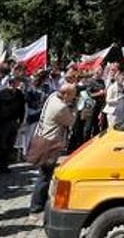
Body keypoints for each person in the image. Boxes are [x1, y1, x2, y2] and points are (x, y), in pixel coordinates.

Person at [28, 83, 78, 214]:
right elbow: (71, 121)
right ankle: (37, 205)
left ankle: (40, 201)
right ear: (66, 94)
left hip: (43, 137)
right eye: (73, 96)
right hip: (49, 143)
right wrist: (74, 109)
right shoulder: (60, 107)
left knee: (44, 175)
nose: (74, 98)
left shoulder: (53, 97)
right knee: (44, 176)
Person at [0, 75, 26, 170]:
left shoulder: (19, 94)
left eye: (14, 82)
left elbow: (22, 108)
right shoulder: (1, 94)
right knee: (1, 145)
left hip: (14, 122)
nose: (12, 84)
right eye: (10, 82)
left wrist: (21, 121)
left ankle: (5, 165)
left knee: (10, 145)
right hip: (3, 123)